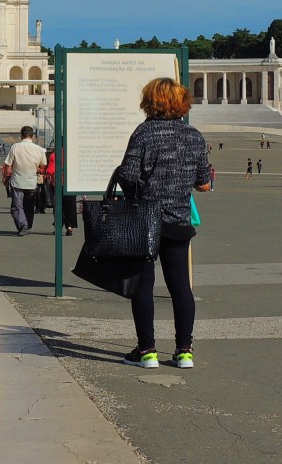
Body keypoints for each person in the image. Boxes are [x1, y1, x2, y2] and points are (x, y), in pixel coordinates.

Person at [116, 77, 211, 371]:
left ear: (150, 101)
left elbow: (128, 175)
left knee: (143, 287)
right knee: (181, 287)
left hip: (145, 220)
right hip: (179, 220)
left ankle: (147, 351)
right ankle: (184, 351)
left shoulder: (143, 133)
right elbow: (203, 184)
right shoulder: (193, 136)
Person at [3, 126, 47, 236]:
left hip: (17, 181)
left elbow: (8, 165)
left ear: (21, 135)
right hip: (31, 182)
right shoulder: (39, 149)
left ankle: (23, 225)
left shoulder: (15, 147)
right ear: (32, 136)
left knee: (17, 206)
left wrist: (6, 177)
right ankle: (28, 225)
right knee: (29, 206)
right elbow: (43, 166)